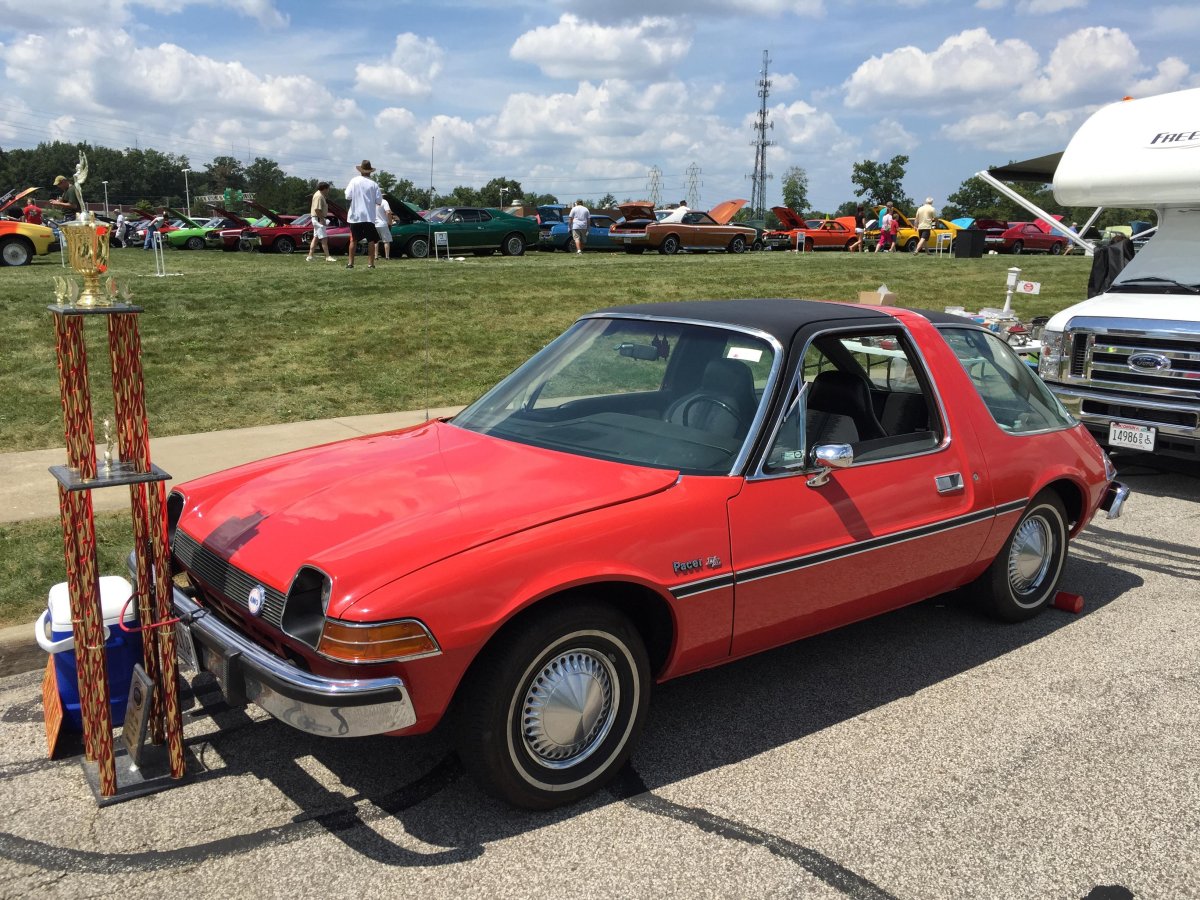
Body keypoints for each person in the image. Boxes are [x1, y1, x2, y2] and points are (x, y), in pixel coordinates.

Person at [344, 160, 382, 269]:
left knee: (353, 239)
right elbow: (379, 201)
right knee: (371, 240)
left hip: (355, 216)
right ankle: (371, 263)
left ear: (360, 170)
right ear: (370, 172)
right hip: (368, 216)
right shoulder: (374, 184)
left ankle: (350, 263)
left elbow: (347, 196)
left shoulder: (354, 181)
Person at [306, 182, 335, 261]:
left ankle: (310, 256)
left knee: (316, 238)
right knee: (324, 238)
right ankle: (328, 256)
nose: (328, 190)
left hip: (317, 218)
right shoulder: (319, 196)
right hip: (318, 218)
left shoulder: (320, 195)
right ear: (324, 189)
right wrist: (322, 220)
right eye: (328, 189)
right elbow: (317, 209)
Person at [375, 195, 394, 260]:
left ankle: (376, 256)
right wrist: (390, 222)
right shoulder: (384, 201)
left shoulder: (373, 202)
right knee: (386, 241)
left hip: (374, 224)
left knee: (376, 241)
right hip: (383, 224)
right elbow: (388, 212)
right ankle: (387, 257)